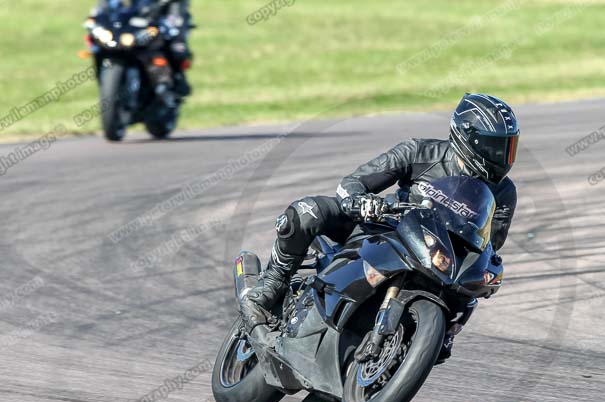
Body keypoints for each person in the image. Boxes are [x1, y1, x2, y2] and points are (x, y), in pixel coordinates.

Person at [240, 93, 519, 361]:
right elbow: (352, 182)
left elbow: (488, 245)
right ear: (469, 138)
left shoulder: (503, 192)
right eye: (496, 147)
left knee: (473, 285)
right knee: (305, 212)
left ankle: (429, 334)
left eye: (509, 148)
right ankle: (273, 283)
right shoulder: (419, 151)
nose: (504, 157)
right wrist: (361, 202)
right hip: (381, 229)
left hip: (438, 258)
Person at [95, 0, 193, 96]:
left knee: (176, 46)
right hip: (131, 21)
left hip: (163, 15)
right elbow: (105, 8)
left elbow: (176, 14)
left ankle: (175, 79)